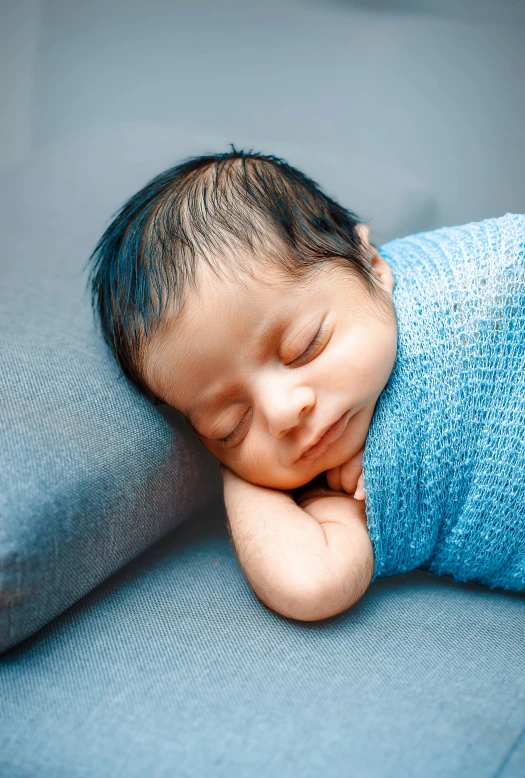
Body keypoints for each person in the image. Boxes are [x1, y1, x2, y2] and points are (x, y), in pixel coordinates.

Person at [88, 149, 523, 623]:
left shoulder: (475, 279)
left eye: (304, 347)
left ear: (371, 264)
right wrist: (244, 474)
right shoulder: (334, 498)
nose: (282, 412)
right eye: (231, 425)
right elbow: (311, 582)